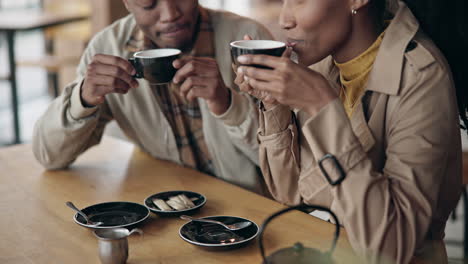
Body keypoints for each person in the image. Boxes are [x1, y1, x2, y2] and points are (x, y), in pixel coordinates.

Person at [235, 0, 467, 263]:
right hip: (325, 246)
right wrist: (273, 103)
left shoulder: (422, 78)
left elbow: (391, 246)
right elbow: (290, 195)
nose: (284, 20)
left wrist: (321, 106)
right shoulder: (323, 62)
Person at [32, 0, 273, 195]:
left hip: (252, 207)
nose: (170, 14)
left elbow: (290, 165)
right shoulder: (108, 49)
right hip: (171, 208)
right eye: (149, 4)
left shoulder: (248, 40)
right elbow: (48, 155)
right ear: (127, 3)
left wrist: (228, 105)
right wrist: (82, 99)